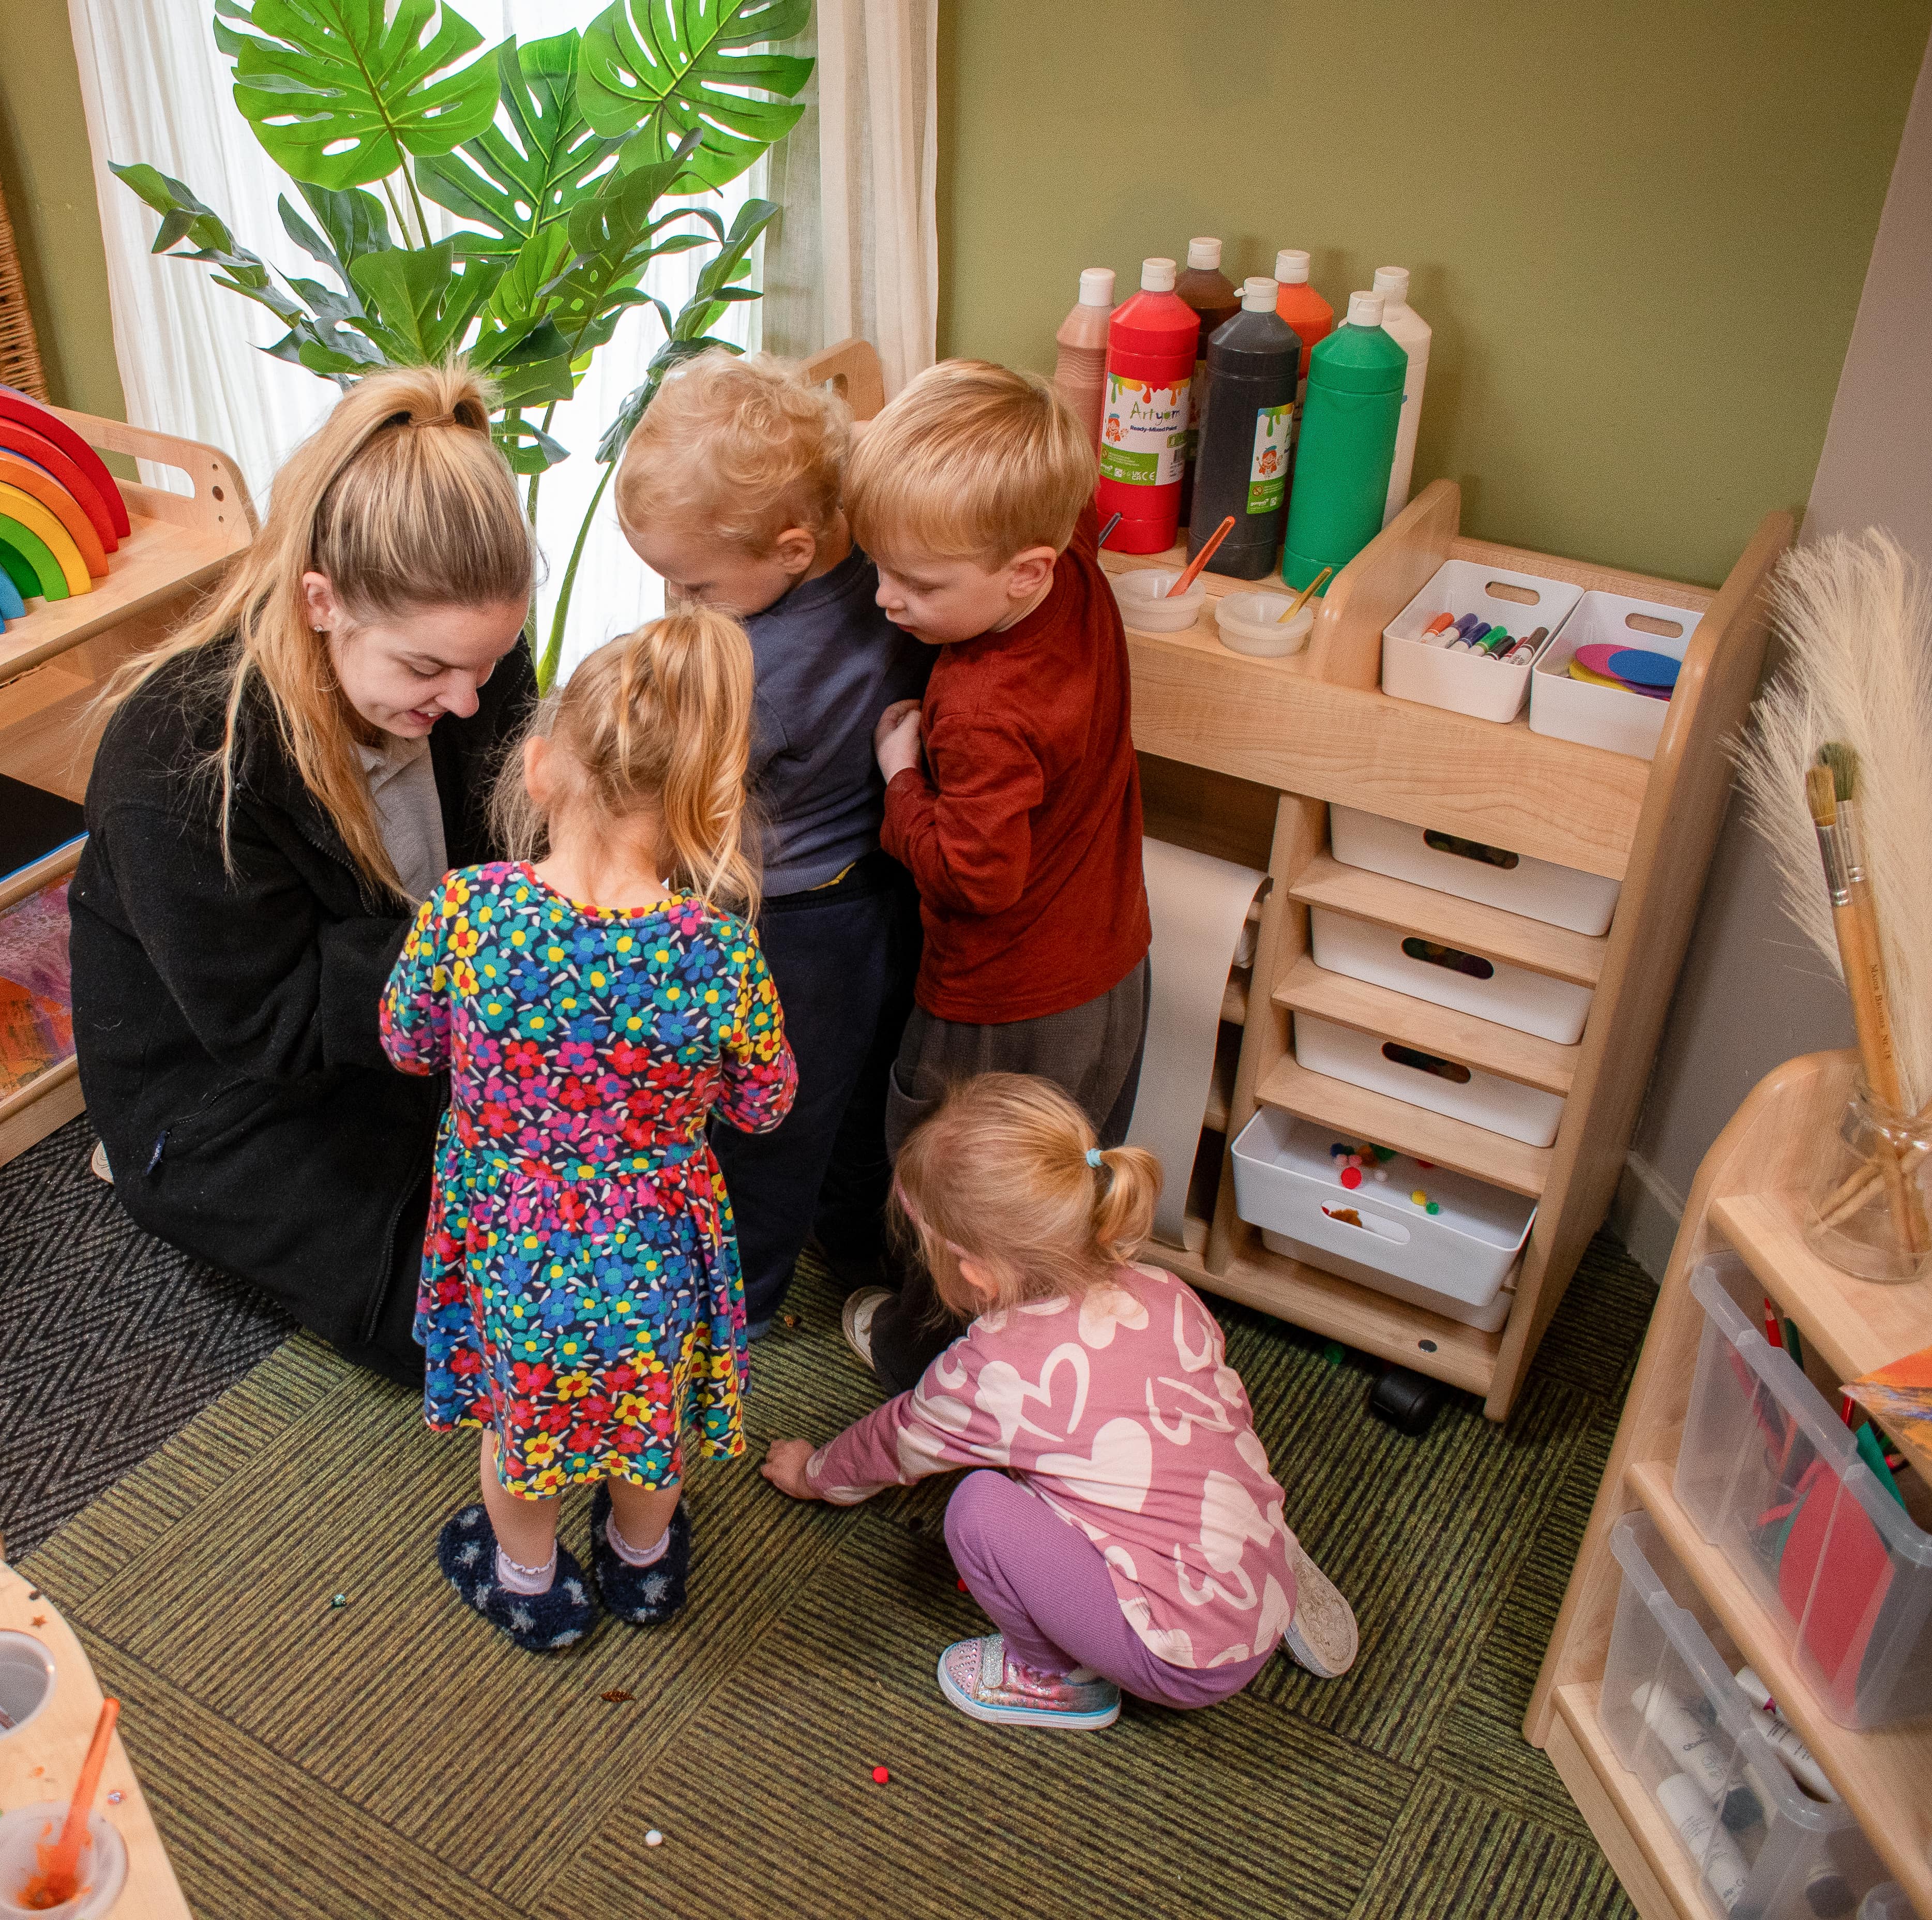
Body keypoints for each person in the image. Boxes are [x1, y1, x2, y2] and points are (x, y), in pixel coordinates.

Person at [69, 363, 537, 1384]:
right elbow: (276, 1023)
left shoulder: (467, 658)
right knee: (499, 1337)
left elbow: (520, 845)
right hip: (236, 1089)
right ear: (322, 602)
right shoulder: (179, 761)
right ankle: (142, 1168)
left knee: (629, 1231)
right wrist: (505, 959)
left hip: (411, 1013)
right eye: (426, 670)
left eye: (490, 663)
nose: (468, 702)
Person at [380, 608, 797, 1651]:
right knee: (646, 1428)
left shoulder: (467, 911)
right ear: (707, 802)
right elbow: (766, 1102)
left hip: (515, 1242)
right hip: (655, 1242)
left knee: (518, 1428)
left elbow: (405, 1041)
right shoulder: (720, 951)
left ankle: (530, 1579)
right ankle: (643, 1565)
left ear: (537, 770)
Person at [759, 1074, 1357, 1729]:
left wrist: (816, 1474)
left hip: (1182, 1660)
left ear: (975, 1270)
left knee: (979, 1508)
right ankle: (1266, 1554)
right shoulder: (1162, 1289)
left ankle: (1054, 1678)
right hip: (1250, 1568)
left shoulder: (991, 1369)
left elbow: (895, 1442)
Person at [842, 358, 1153, 1392]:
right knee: (1060, 1184)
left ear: (1023, 569)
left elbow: (973, 877)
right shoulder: (1073, 568)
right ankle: (1053, 1356)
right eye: (877, 567)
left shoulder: (977, 700)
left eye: (920, 585)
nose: (886, 600)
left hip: (1000, 1000)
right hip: (1111, 961)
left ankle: (924, 1360)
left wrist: (901, 777)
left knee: (955, 1192)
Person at [615, 350, 932, 1324]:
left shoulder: (758, 672)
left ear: (791, 547)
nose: (679, 606)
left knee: (762, 1118)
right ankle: (854, 1244)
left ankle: (739, 1302)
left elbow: (665, 788)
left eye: (694, 587)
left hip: (786, 924)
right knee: (841, 1100)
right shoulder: (887, 572)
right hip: (872, 896)